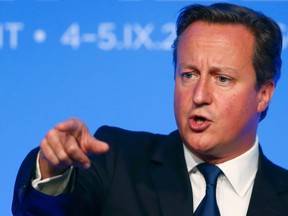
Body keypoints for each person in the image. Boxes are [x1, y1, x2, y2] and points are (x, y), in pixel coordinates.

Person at [12, 2, 288, 216]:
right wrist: (53, 170)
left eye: (222, 79)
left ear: (263, 94)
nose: (199, 95)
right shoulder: (116, 162)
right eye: (188, 75)